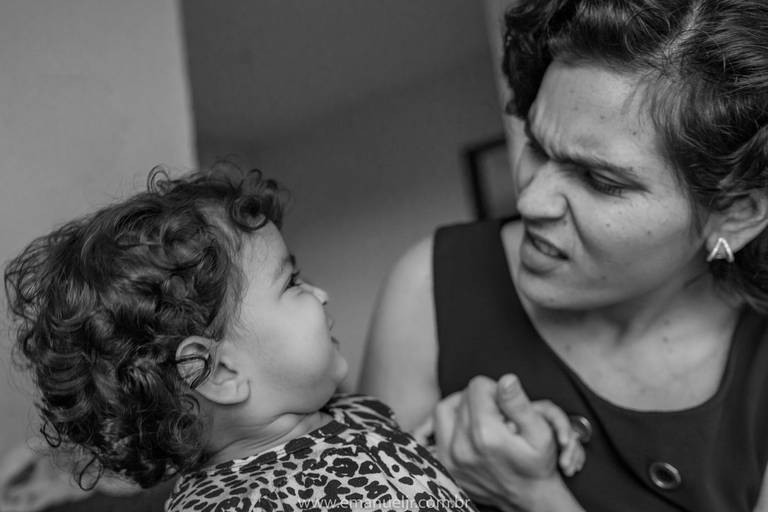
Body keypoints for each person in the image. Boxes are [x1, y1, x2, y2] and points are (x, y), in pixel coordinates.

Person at [360, 1, 768, 511]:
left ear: (735, 212)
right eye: (536, 145)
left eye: (599, 179)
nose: (530, 201)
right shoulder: (429, 287)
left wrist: (535, 496)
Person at [4, 167, 580, 512]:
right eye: (293, 282)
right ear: (217, 372)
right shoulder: (241, 504)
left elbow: (403, 473)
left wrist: (491, 433)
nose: (320, 294)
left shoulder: (345, 416)